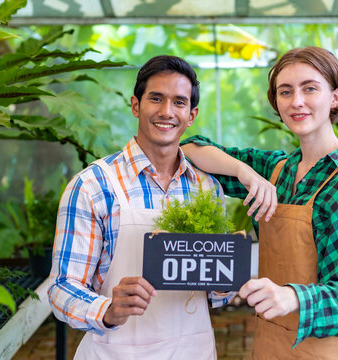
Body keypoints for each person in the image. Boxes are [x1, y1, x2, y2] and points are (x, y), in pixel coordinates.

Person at [181, 46, 338, 359]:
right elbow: (192, 148)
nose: (296, 101)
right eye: (285, 92)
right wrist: (244, 172)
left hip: (324, 347)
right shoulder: (277, 170)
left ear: (336, 97)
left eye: (310, 88)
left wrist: (292, 297)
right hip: (269, 342)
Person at [48, 55, 234, 360]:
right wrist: (106, 308)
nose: (166, 112)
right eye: (156, 99)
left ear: (191, 115)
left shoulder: (207, 189)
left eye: (179, 102)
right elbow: (61, 288)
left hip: (193, 351)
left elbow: (215, 294)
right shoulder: (93, 185)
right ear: (136, 105)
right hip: (117, 352)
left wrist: (228, 282)